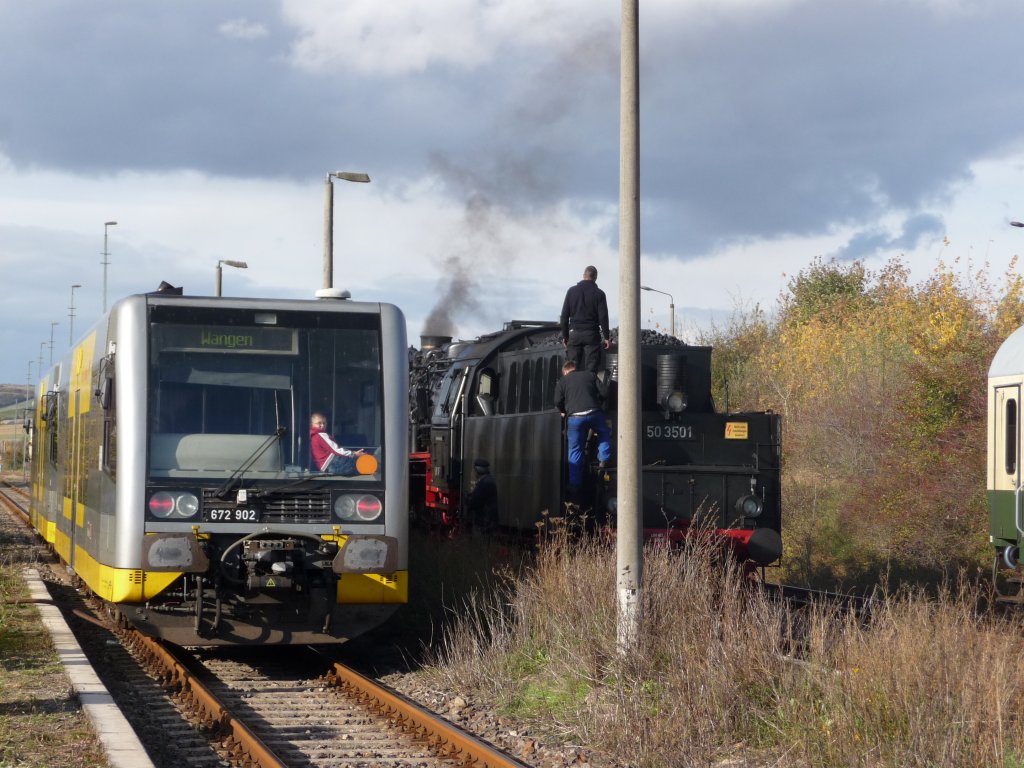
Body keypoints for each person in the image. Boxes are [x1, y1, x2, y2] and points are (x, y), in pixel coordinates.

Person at [553, 360, 612, 492]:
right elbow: (604, 393)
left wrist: (563, 410)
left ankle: (575, 484)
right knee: (603, 432)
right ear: (575, 368)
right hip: (594, 413)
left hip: (575, 417)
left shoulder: (562, 381)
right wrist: (598, 402)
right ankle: (604, 458)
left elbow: (557, 400)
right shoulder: (590, 375)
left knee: (575, 449)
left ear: (565, 371)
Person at [559, 265, 611, 373]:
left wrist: (565, 336)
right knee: (591, 369)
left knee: (571, 368)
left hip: (574, 334)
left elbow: (564, 316)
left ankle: (571, 387)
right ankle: (589, 387)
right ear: (595, 277)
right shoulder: (600, 294)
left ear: (583, 275)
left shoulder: (571, 291)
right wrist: (606, 337)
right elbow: (603, 317)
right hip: (591, 335)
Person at [464, 458, 498, 533]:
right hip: (488, 521)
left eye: (475, 470)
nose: (474, 472)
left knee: (478, 541)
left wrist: (467, 498)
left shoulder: (484, 484)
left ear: (478, 471)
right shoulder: (489, 480)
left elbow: (474, 501)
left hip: (482, 522)